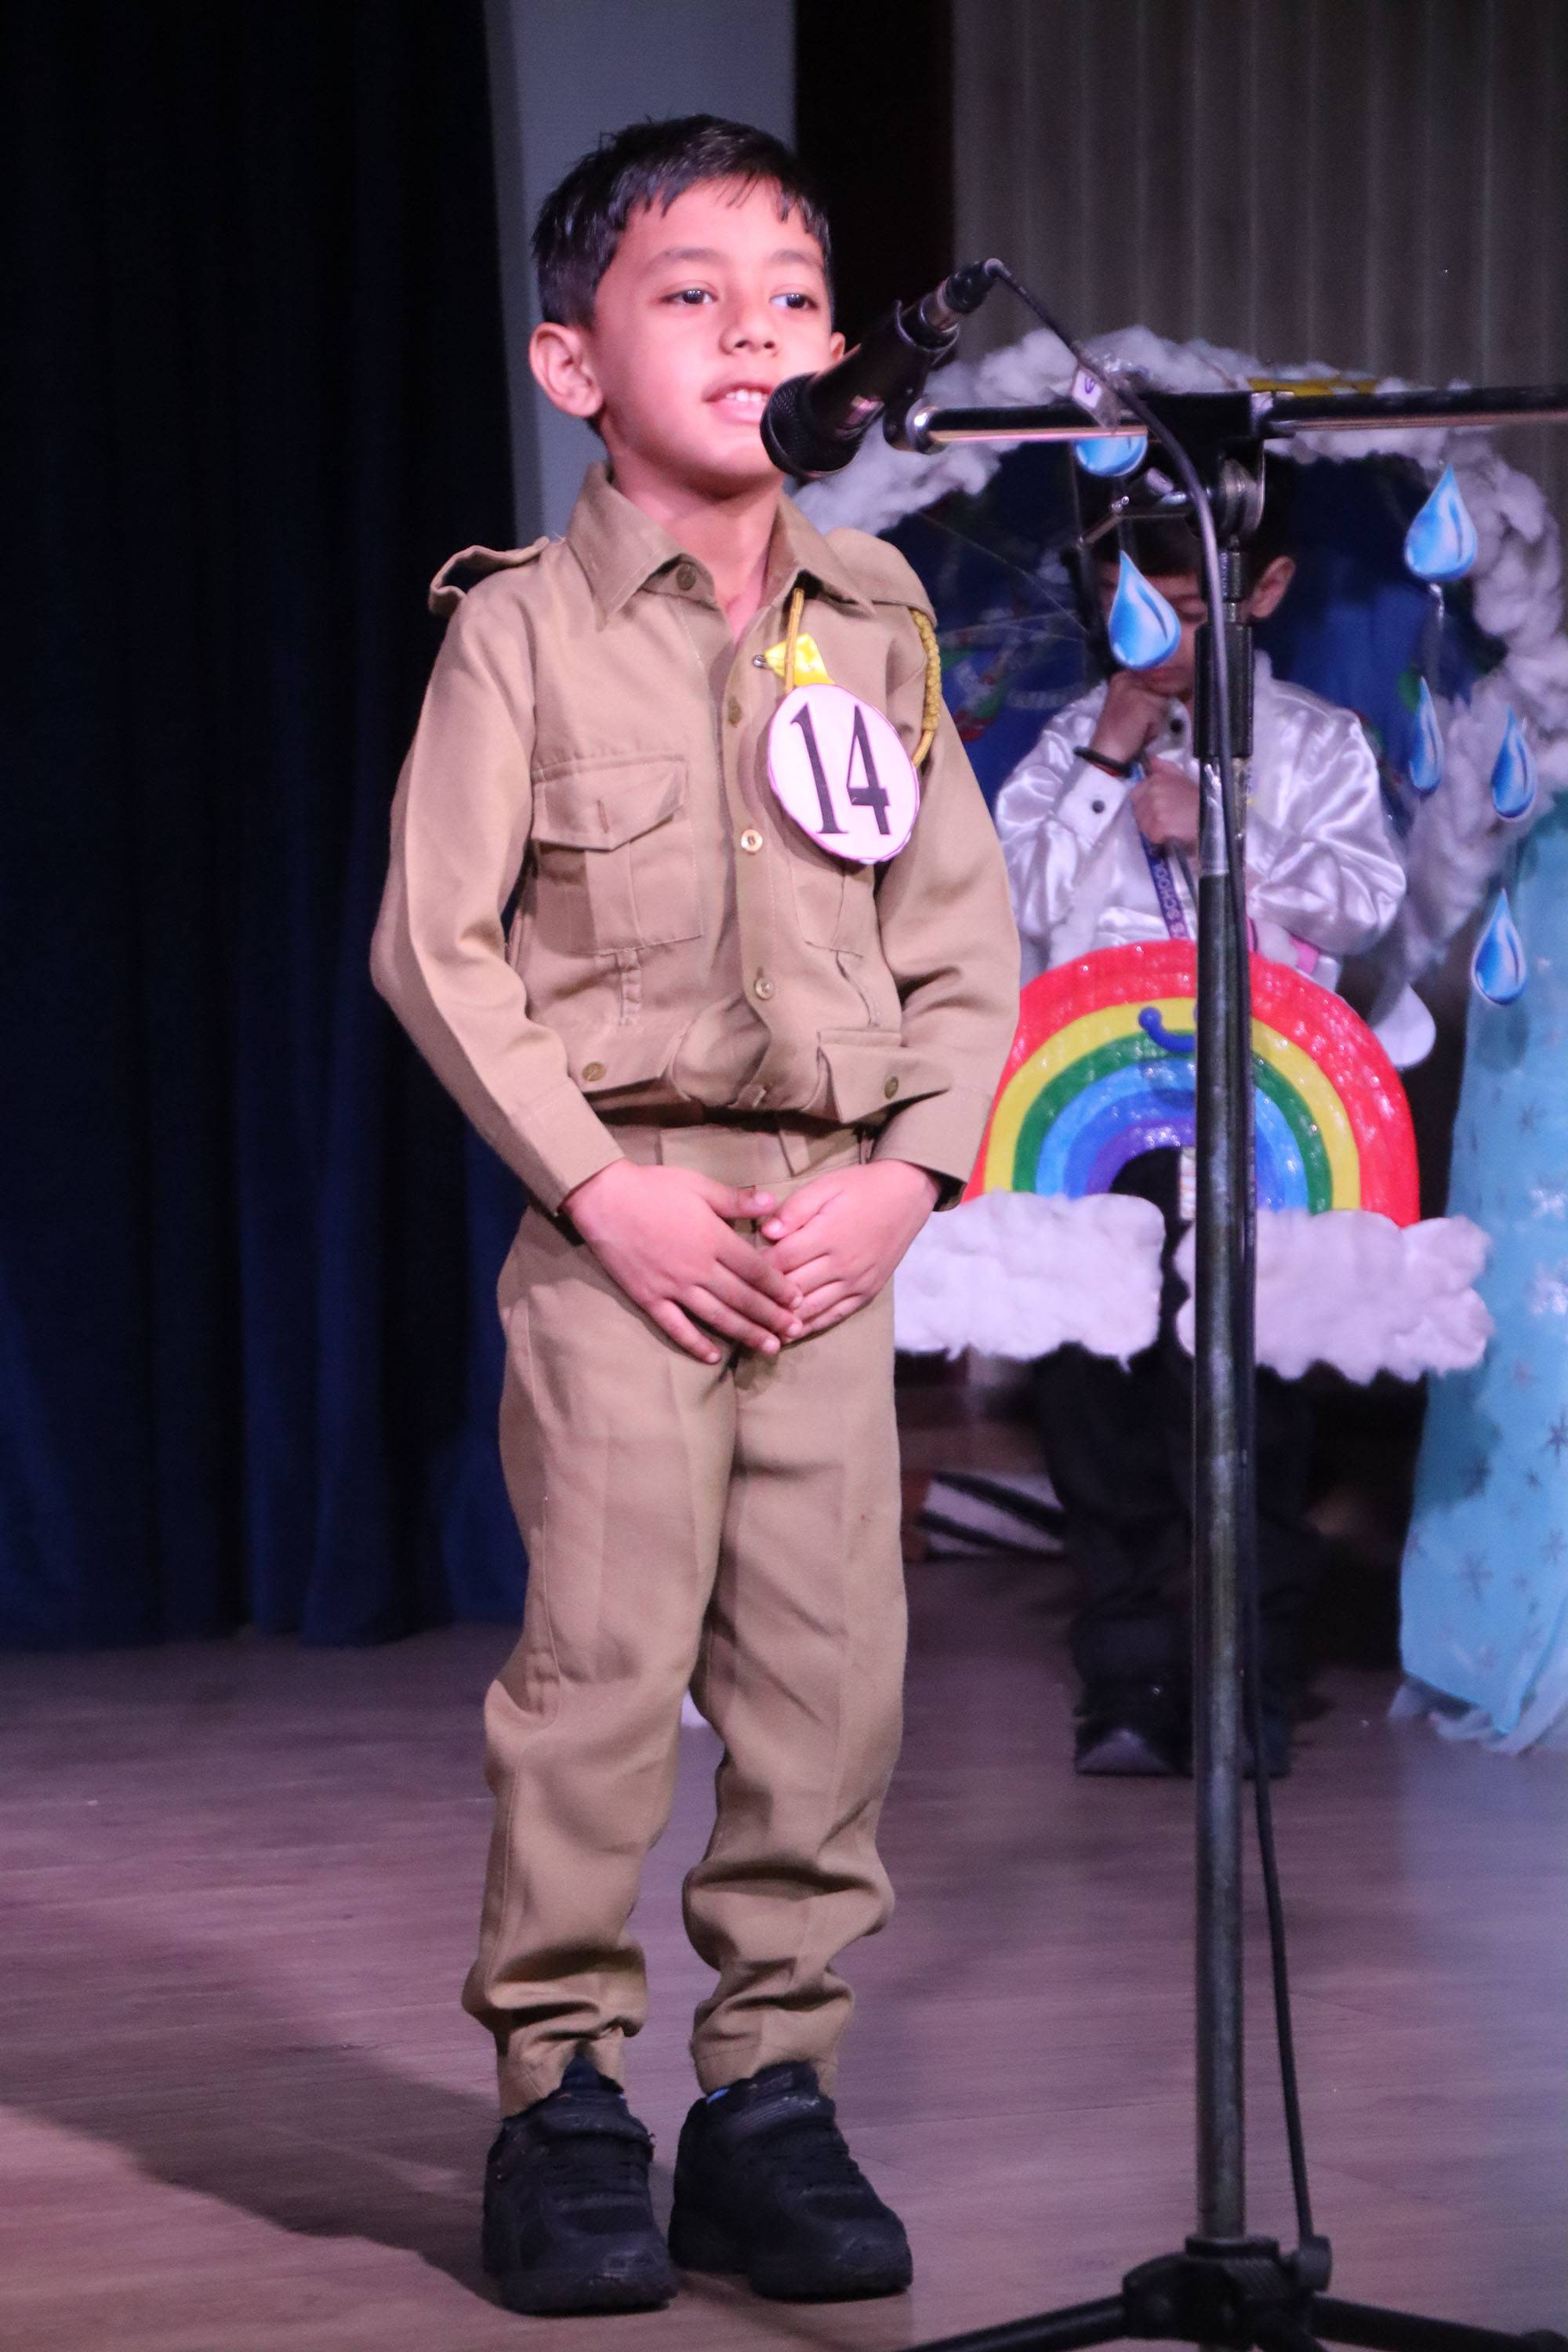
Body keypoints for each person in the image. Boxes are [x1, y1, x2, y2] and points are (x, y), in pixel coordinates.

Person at [372, 116, 1018, 2317]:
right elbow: (437, 949)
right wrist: (600, 1191)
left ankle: (770, 2102)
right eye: (692, 294)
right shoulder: (519, 632)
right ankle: (562, 2097)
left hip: (828, 1226)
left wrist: (909, 1177)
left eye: (795, 298)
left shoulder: (881, 620)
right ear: (573, 364)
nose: (758, 334)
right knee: (604, 1671)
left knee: (829, 1679)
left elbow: (961, 943)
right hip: (626, 1225)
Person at [994, 481, 1406, 1779]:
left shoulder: (1318, 741)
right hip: (1096, 1113)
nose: (1158, 637)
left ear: (1263, 590)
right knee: (1094, 1392)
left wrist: (1220, 826)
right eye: (1135, 607)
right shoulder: (1075, 736)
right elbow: (1015, 905)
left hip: (1258, 1110)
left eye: (1185, 610)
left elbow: (1364, 905)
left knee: (1246, 1401)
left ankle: (1250, 1682)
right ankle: (1127, 1677)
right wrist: (1106, 762)